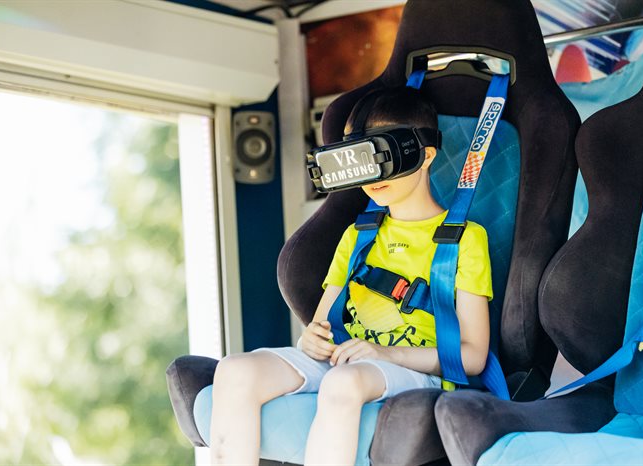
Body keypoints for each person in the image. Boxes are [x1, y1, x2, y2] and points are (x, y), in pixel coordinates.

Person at [208, 87, 493, 465]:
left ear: (424, 155)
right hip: (345, 359)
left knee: (343, 382)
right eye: (361, 157)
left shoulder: (465, 239)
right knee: (234, 370)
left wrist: (385, 354)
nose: (373, 171)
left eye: (383, 154)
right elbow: (321, 326)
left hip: (412, 370)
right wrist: (312, 340)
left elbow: (473, 356)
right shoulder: (357, 236)